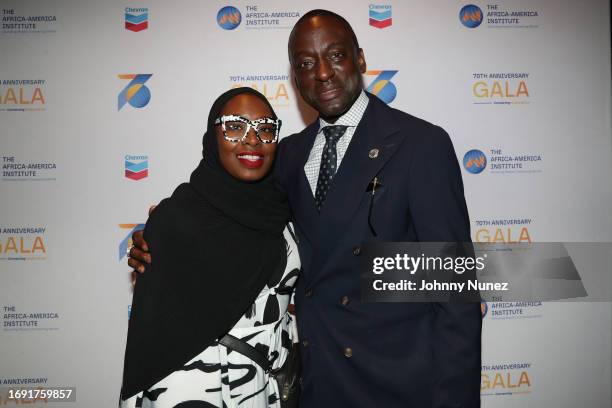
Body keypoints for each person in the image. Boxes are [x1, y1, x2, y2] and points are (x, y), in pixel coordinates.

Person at [129, 9, 481, 407]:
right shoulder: (290, 155)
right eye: (306, 64)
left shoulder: (420, 145)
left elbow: (456, 291)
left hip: (396, 387)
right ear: (295, 78)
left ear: (360, 59)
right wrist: (164, 231)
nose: (323, 73)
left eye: (335, 56)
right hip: (317, 384)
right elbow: (234, 205)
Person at [120, 87, 300, 408]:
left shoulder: (287, 213)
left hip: (267, 390)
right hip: (191, 391)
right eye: (235, 126)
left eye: (265, 128)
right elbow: (151, 333)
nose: (251, 139)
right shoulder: (174, 219)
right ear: (212, 137)